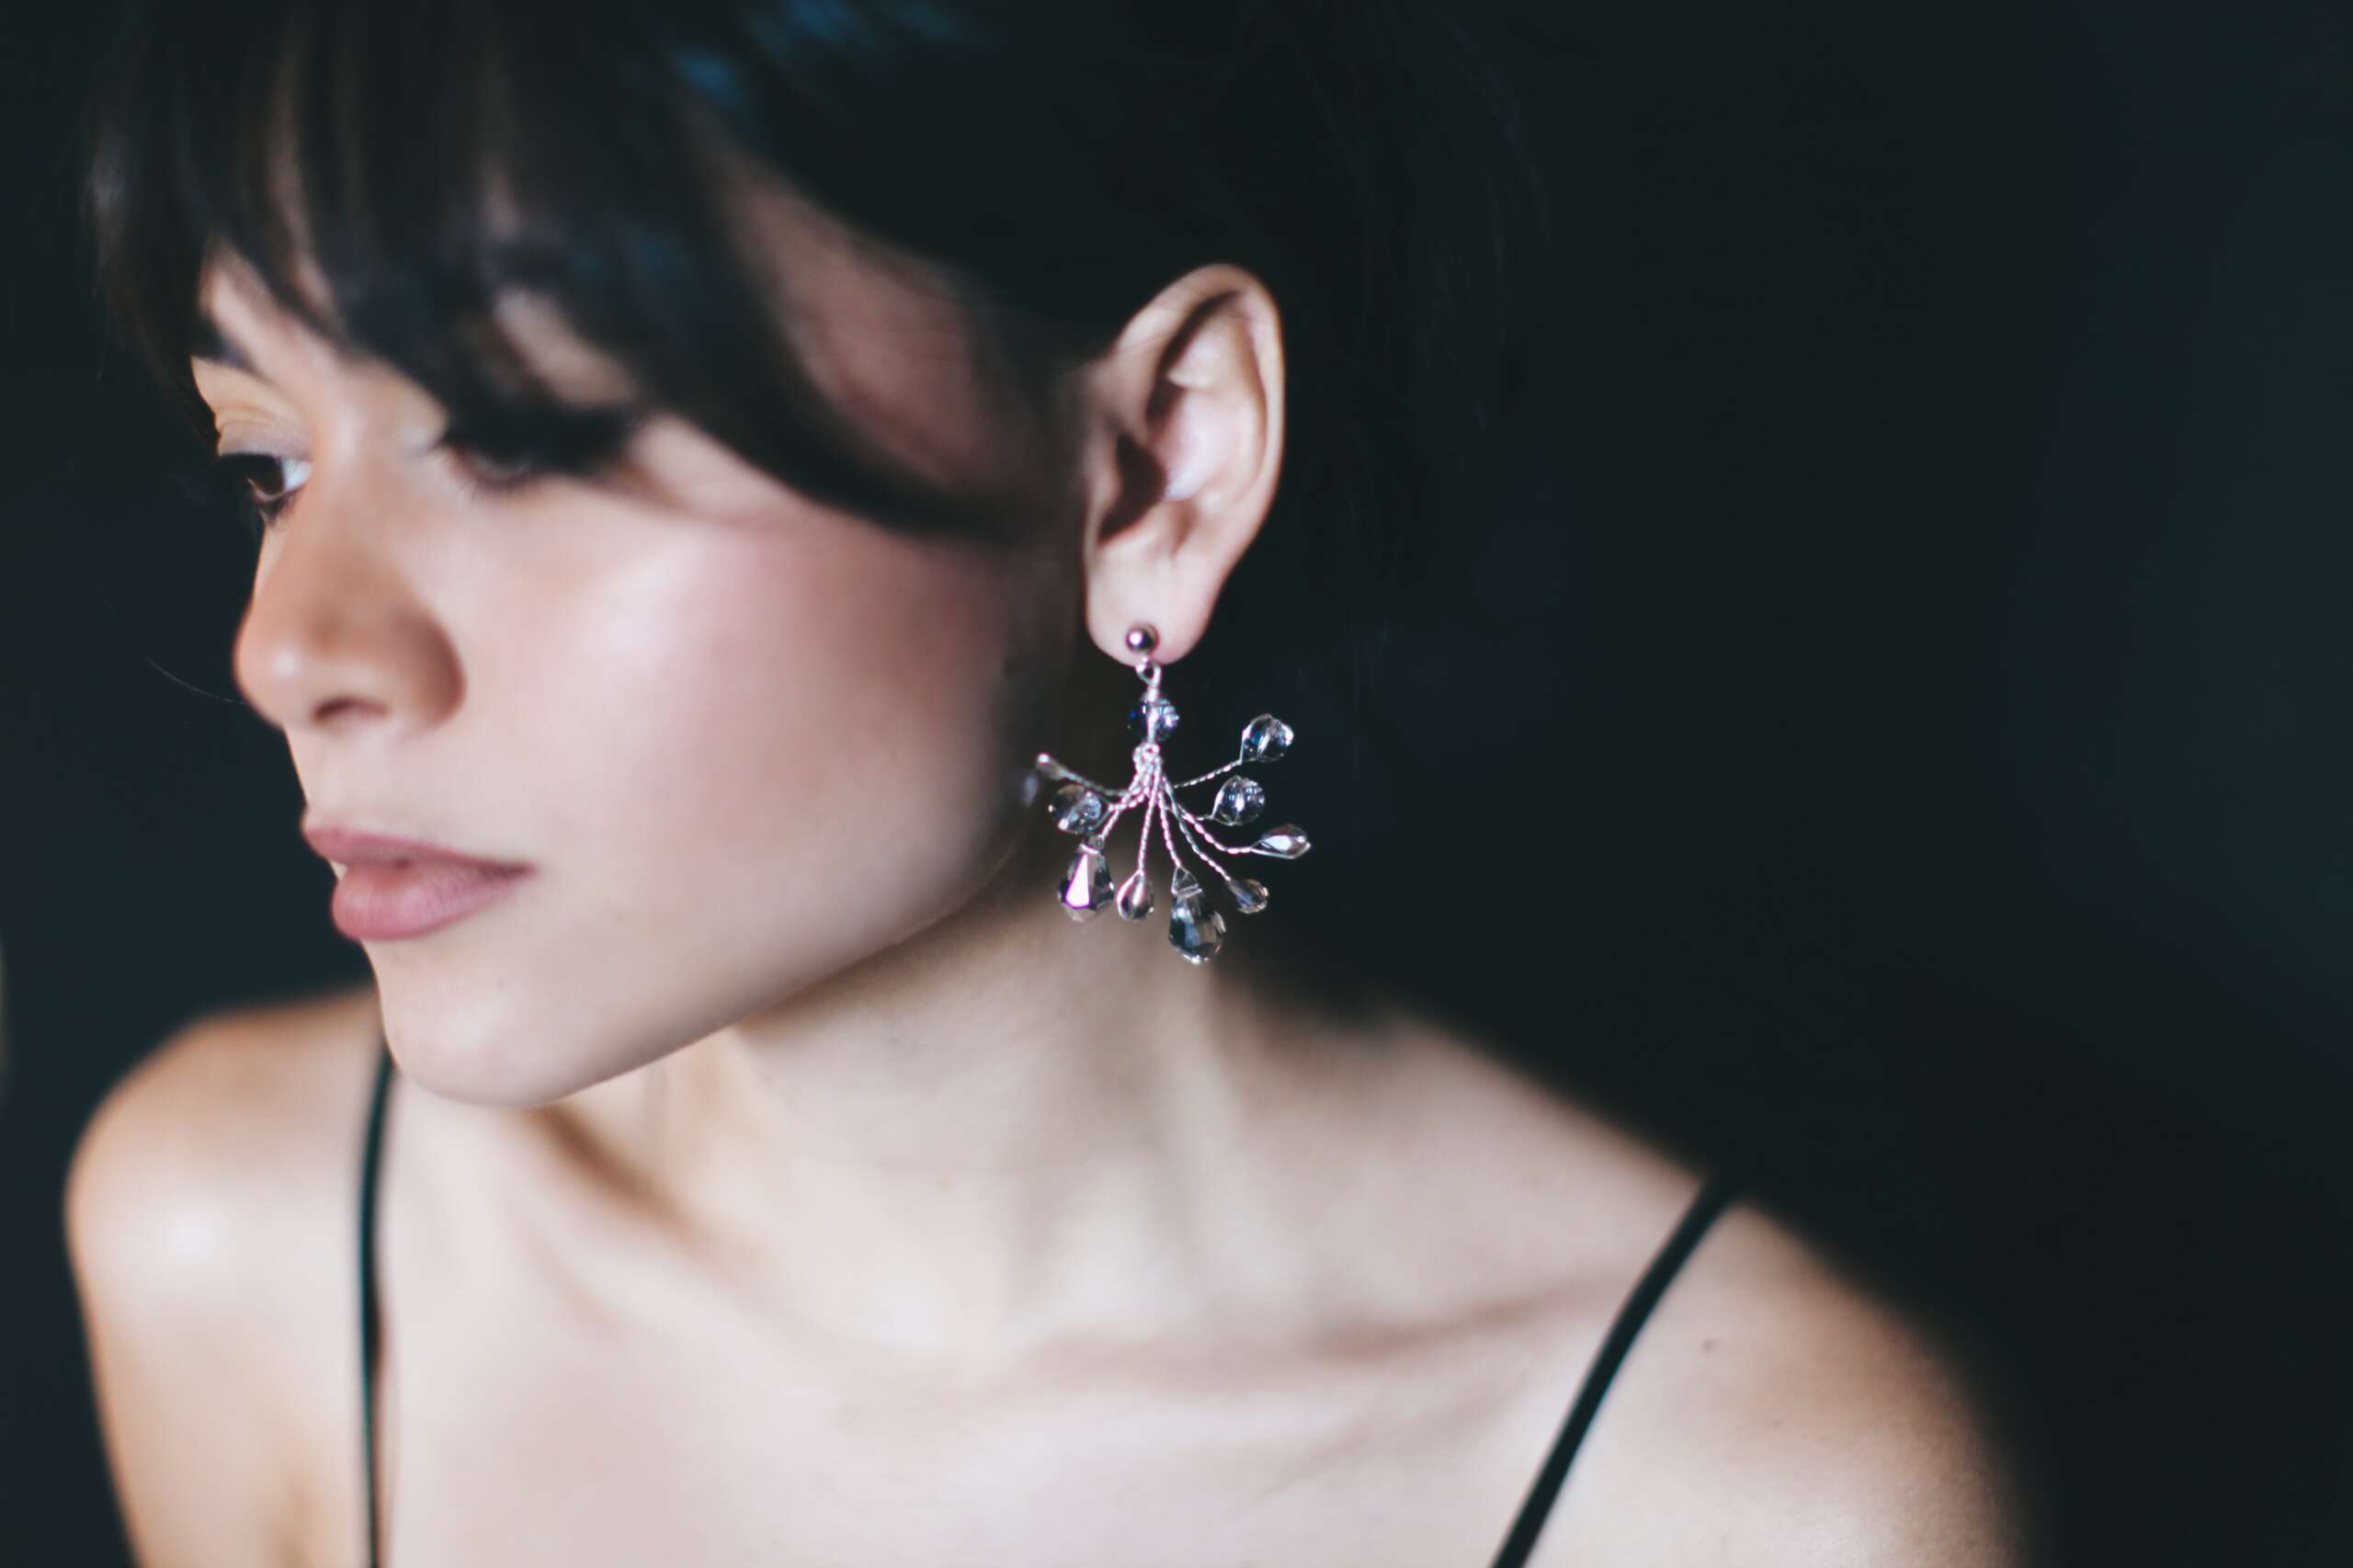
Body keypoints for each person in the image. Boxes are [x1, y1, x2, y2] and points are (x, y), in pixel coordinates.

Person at [63, 2, 2029, 1563]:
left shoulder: (1732, 1499)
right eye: (267, 464)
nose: (286, 649)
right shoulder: (250, 1244)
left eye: (520, 436)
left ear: (1161, 462)